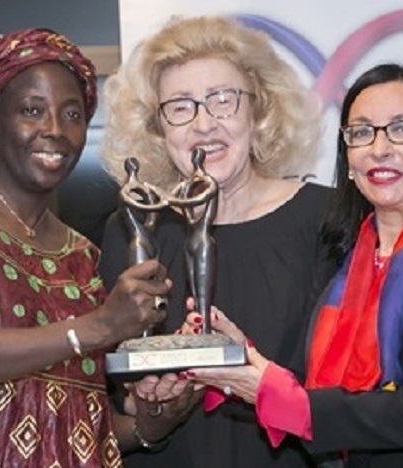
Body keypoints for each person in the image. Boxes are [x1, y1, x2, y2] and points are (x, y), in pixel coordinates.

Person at [0, 28, 190, 467]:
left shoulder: (82, 256)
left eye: (72, 114)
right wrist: (98, 327)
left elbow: (75, 420)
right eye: (32, 110)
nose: (55, 131)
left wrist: (150, 424)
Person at [186, 63, 403, 467]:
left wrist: (280, 396)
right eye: (361, 133)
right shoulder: (350, 251)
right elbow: (322, 386)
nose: (379, 148)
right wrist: (242, 358)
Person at [99, 15, 335, 468]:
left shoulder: (327, 220)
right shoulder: (133, 230)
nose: (204, 124)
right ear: (158, 127)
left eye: (223, 100)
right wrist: (149, 406)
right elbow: (113, 395)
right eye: (181, 106)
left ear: (259, 111)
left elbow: (351, 388)